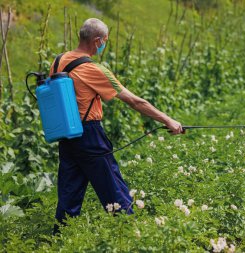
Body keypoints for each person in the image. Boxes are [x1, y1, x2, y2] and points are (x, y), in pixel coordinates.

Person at [50, 18, 184, 234]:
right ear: (96, 41)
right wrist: (168, 120)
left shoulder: (58, 61)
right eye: (105, 41)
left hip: (66, 135)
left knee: (69, 193)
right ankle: (131, 236)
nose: (104, 45)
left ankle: (59, 239)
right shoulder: (93, 69)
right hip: (89, 135)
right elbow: (135, 101)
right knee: (114, 189)